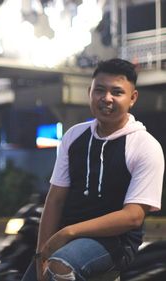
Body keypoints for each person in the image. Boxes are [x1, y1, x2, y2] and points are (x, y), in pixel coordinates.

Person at [21, 58, 164, 281]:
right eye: (100, 90)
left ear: (132, 98)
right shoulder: (73, 136)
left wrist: (69, 232)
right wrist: (41, 254)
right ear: (89, 92)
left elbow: (133, 217)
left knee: (60, 266)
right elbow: (55, 199)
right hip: (68, 237)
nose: (107, 98)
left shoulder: (145, 146)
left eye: (117, 92)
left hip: (114, 242)